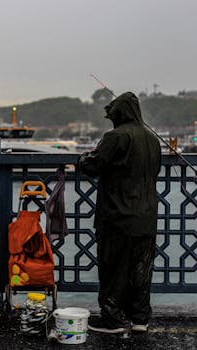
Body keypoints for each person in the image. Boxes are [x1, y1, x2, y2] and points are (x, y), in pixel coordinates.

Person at [78, 92, 161, 333]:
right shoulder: (153, 139)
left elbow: (94, 164)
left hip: (118, 216)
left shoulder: (116, 137)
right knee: (141, 270)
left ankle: (112, 318)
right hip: (146, 216)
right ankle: (139, 319)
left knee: (113, 267)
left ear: (119, 114)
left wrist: (81, 159)